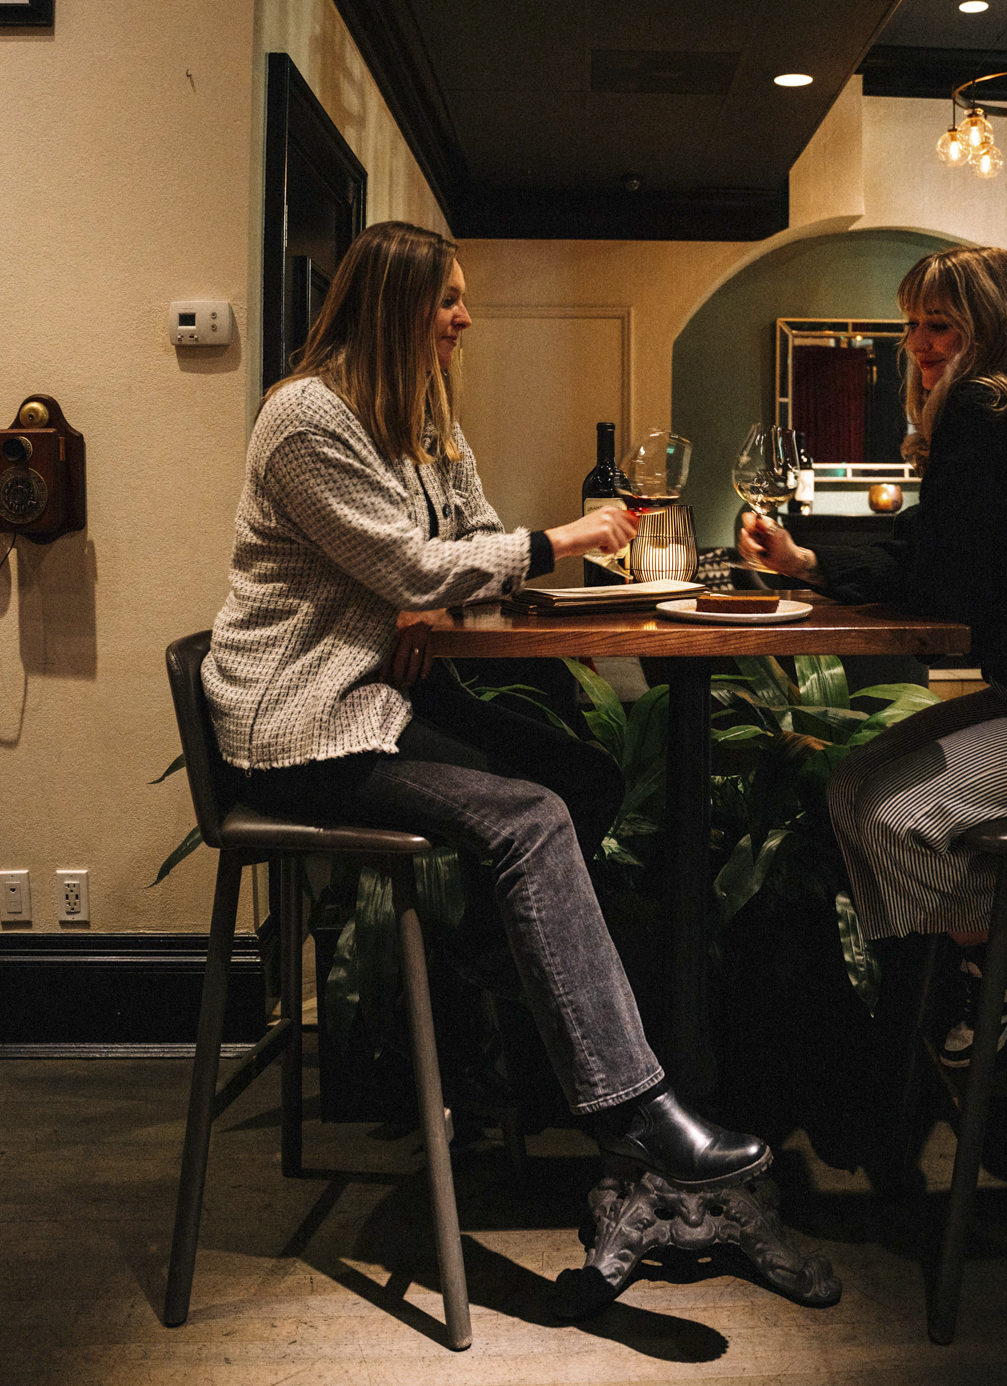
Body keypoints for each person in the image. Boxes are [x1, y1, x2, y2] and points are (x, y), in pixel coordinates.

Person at [202, 221, 767, 1187]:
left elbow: (471, 533)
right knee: (530, 817)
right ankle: (632, 1104)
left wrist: (433, 591)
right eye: (450, 300)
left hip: (377, 693)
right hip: (300, 723)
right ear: (396, 306)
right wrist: (557, 544)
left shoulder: (416, 413)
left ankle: (498, 991)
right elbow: (417, 563)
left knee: (582, 777)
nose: (466, 317)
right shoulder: (305, 419)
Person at [738, 245, 1007, 1065]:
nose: (918, 343)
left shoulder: (979, 410)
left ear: (989, 330)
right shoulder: (985, 421)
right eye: (911, 325)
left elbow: (938, 580)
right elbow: (928, 558)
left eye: (939, 325)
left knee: (890, 814)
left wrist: (815, 569)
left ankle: (1004, 962)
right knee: (846, 789)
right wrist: (804, 565)